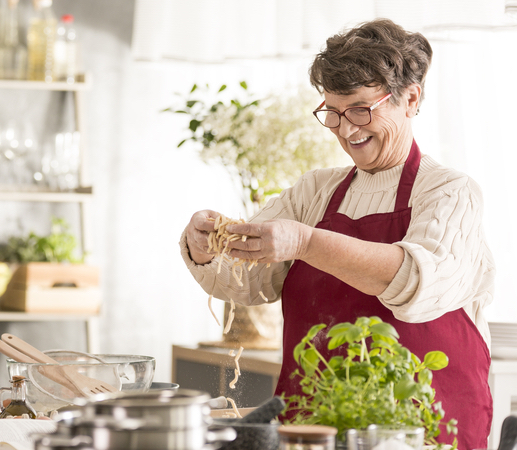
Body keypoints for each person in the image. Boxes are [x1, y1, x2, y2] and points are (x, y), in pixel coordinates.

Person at [180, 18, 494, 449]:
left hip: (419, 433)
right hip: (313, 430)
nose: (347, 130)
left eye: (362, 109)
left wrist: (307, 242)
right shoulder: (314, 191)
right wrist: (206, 248)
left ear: (411, 98)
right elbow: (248, 281)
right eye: (333, 112)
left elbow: (416, 284)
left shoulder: (449, 193)